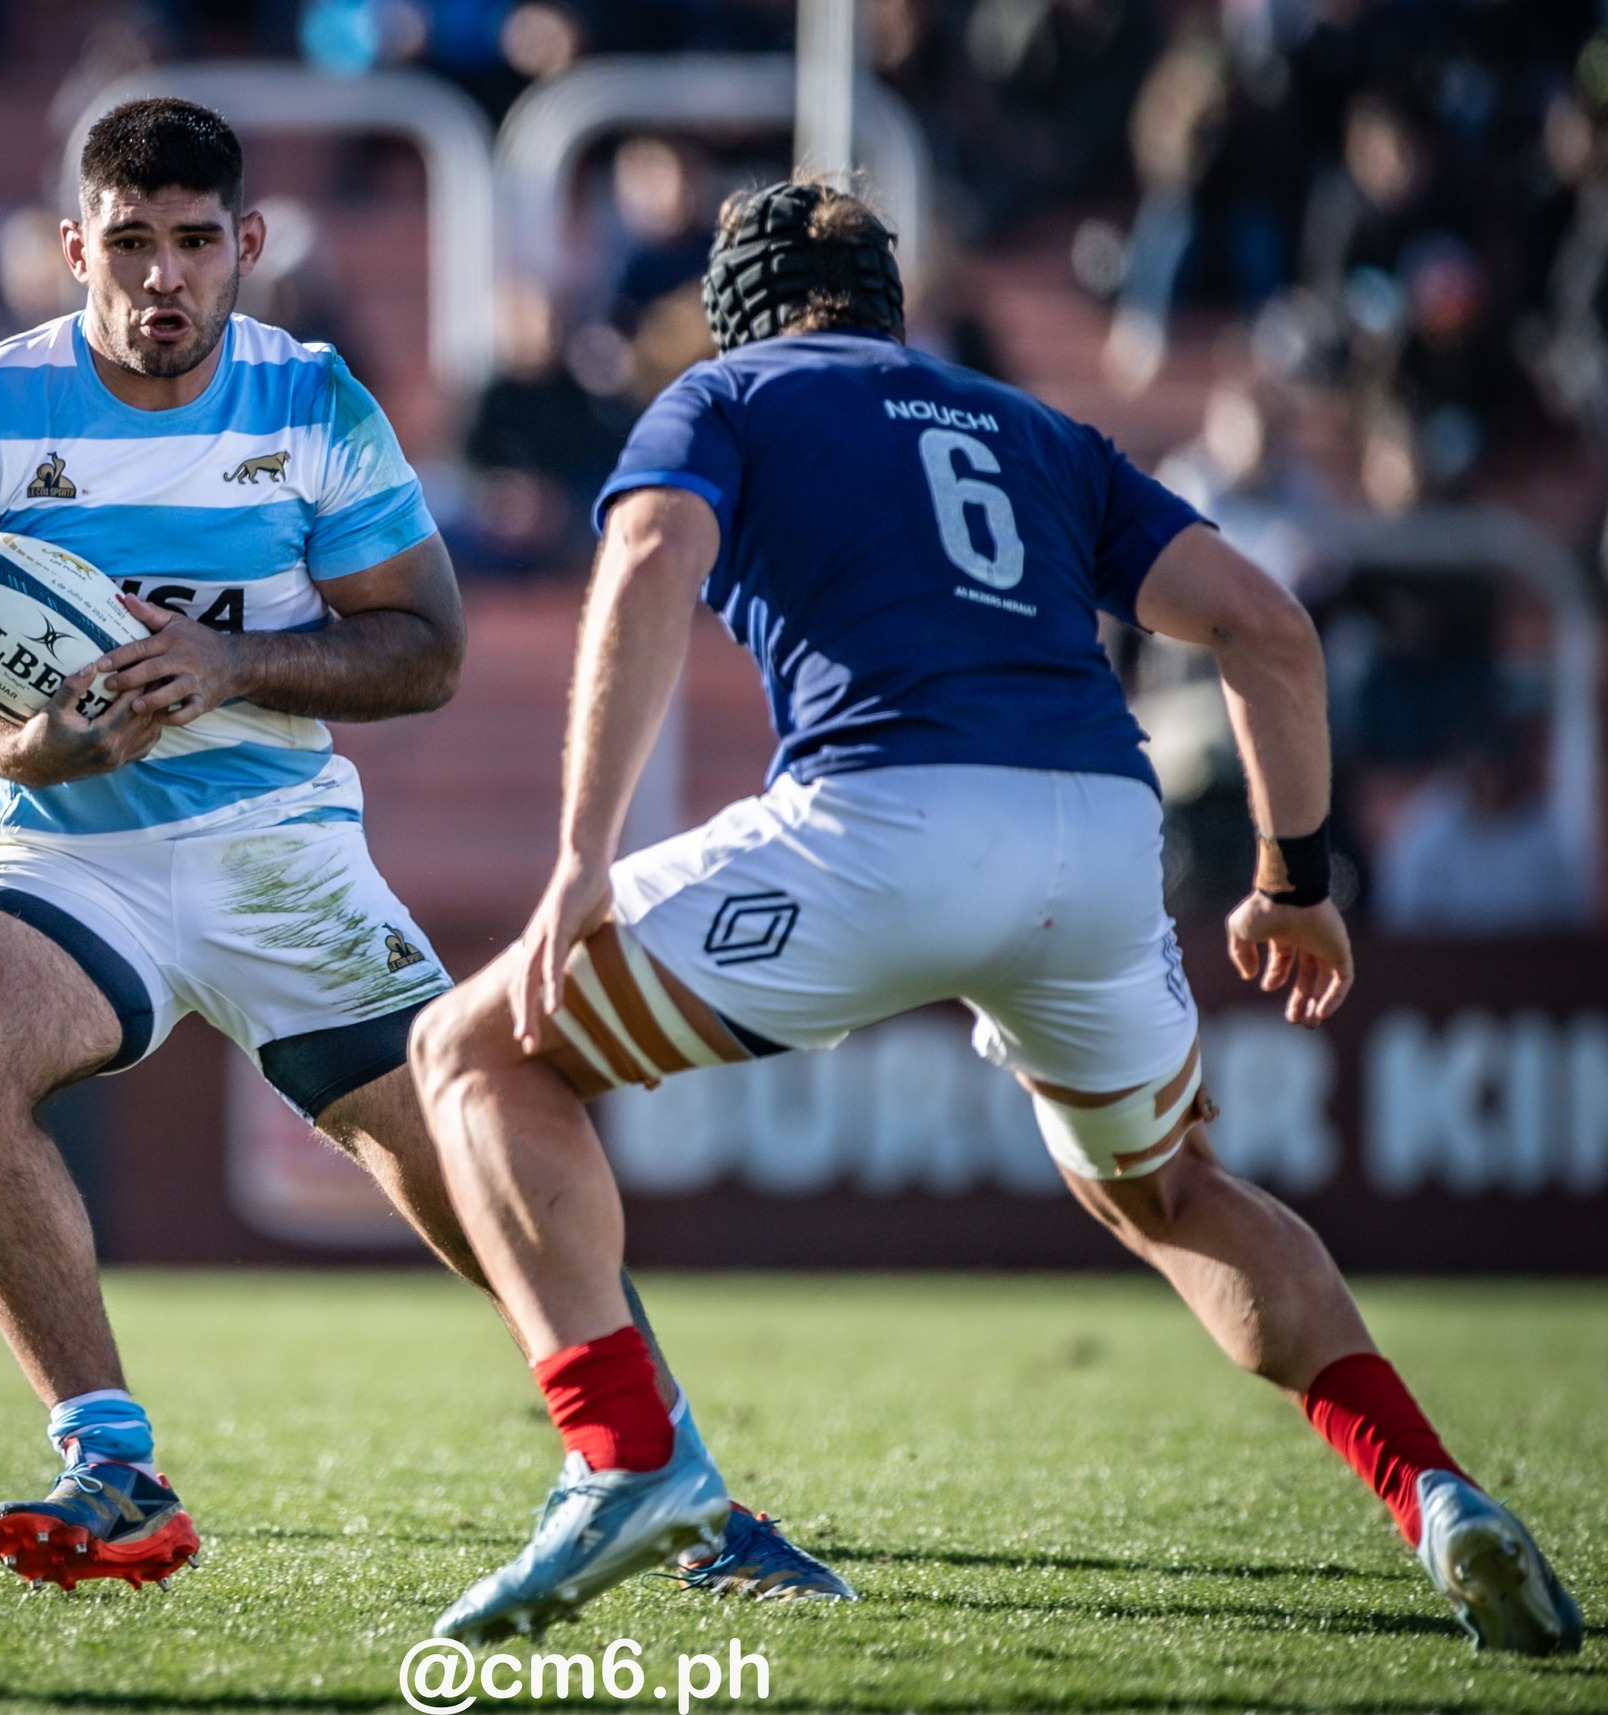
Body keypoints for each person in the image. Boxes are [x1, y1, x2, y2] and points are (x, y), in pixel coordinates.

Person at [408, 179, 1585, 1654]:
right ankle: (1434, 1492)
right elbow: (1269, 628)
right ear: (891, 305)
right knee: (1171, 1193)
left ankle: (627, 1454)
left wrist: (585, 852)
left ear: (734, 314)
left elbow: (648, 555)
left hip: (887, 819)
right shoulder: (1035, 429)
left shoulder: (727, 393)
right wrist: (1294, 883)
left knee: (472, 1054)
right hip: (1099, 834)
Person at [0, 98, 848, 1602]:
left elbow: (424, 648)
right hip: (63, 856)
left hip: (279, 853)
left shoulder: (312, 404)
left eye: (196, 241)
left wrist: (236, 662)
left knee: (479, 1155)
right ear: (73, 249)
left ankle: (675, 1483)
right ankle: (113, 1468)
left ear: (246, 242)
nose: (163, 276)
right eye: (130, 243)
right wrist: (12, 748)